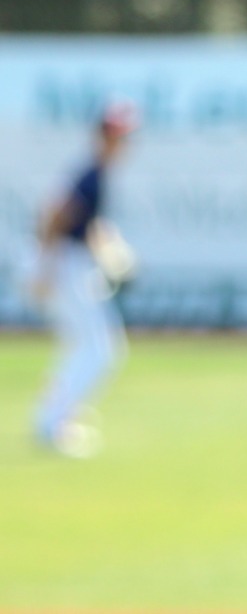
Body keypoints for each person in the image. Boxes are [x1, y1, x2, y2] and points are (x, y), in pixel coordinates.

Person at [30, 103, 139, 458]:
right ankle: (52, 423)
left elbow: (84, 224)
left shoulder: (96, 173)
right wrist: (44, 267)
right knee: (101, 348)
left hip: (69, 261)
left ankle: (55, 417)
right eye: (117, 135)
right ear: (103, 136)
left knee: (84, 345)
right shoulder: (90, 173)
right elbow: (54, 216)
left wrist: (108, 247)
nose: (123, 143)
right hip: (65, 263)